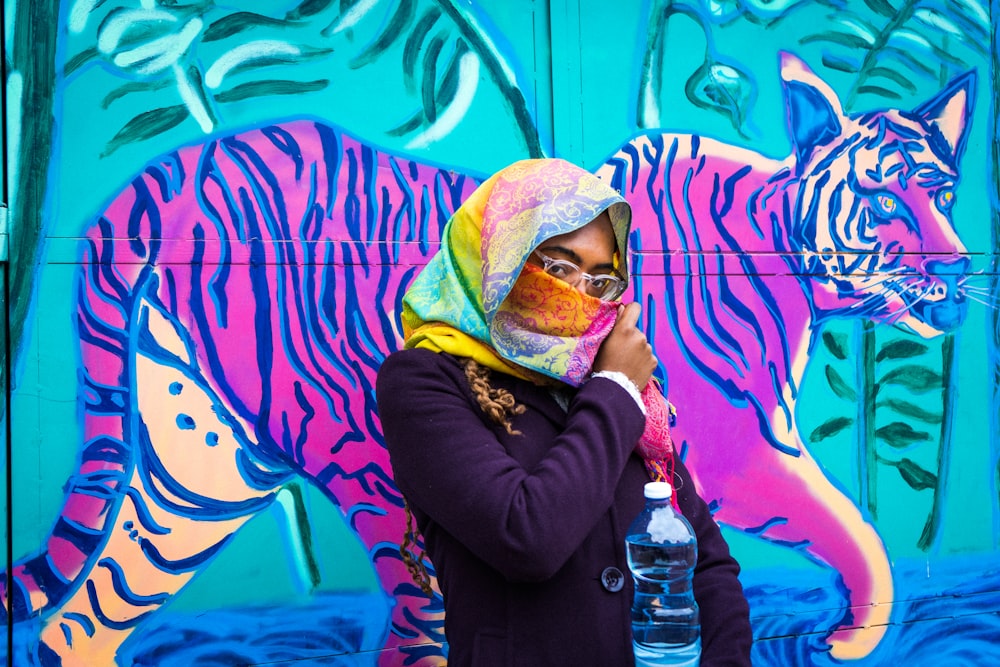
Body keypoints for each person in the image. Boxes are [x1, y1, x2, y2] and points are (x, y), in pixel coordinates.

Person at [376, 158, 753, 666]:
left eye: (601, 279)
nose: (578, 295)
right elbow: (527, 537)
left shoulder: (606, 389)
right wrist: (617, 384)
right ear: (497, 259)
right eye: (556, 266)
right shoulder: (424, 381)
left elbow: (706, 563)